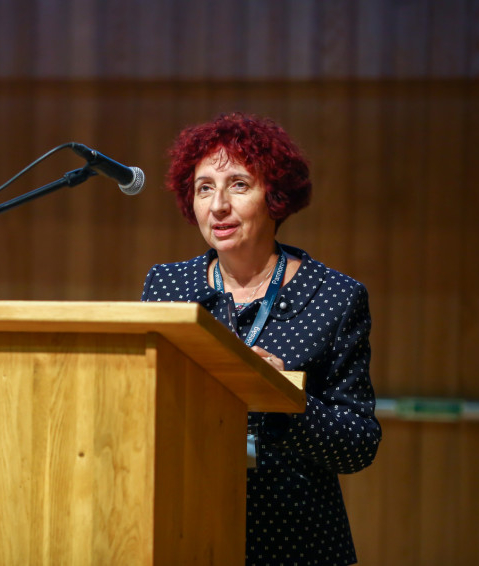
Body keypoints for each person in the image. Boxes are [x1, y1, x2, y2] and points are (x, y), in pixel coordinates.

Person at [140, 112, 381, 565]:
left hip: (295, 539)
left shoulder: (333, 295)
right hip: (186, 528)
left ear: (276, 197)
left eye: (238, 185)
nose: (218, 205)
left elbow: (358, 443)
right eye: (204, 188)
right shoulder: (168, 286)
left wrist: (282, 398)